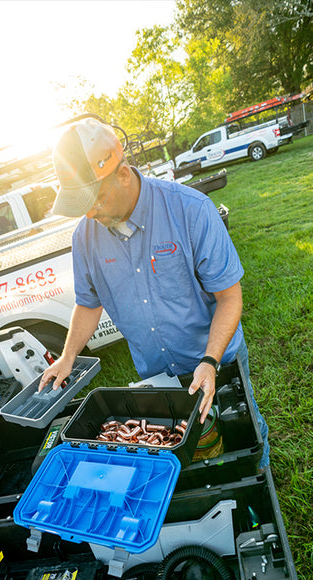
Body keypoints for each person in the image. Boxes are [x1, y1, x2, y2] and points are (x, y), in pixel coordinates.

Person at [38, 118, 269, 468]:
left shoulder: (190, 210)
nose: (89, 212)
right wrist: (67, 357)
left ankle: (259, 471)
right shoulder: (84, 237)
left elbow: (229, 297)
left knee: (240, 432)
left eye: (96, 199)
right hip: (156, 371)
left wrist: (209, 361)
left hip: (214, 359)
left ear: (123, 175)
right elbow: (88, 304)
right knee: (181, 448)